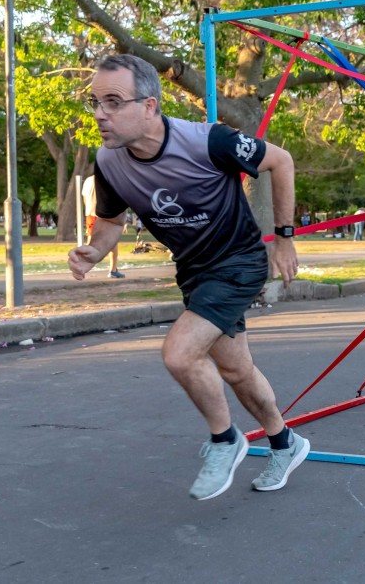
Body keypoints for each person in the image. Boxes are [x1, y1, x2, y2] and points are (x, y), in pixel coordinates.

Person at [68, 54, 308, 501]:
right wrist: (93, 252)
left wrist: (284, 238)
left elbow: (282, 161)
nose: (101, 113)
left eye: (114, 102)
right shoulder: (109, 161)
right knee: (237, 371)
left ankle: (226, 440)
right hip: (194, 271)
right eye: (95, 102)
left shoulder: (209, 142)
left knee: (179, 354)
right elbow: (110, 222)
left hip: (238, 261)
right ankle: (285, 442)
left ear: (150, 106)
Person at [81, 173, 125, 278]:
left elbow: (84, 198)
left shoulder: (88, 180)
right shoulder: (108, 178)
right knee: (112, 241)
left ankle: (83, 266)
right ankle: (113, 269)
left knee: (91, 240)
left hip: (90, 213)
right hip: (104, 213)